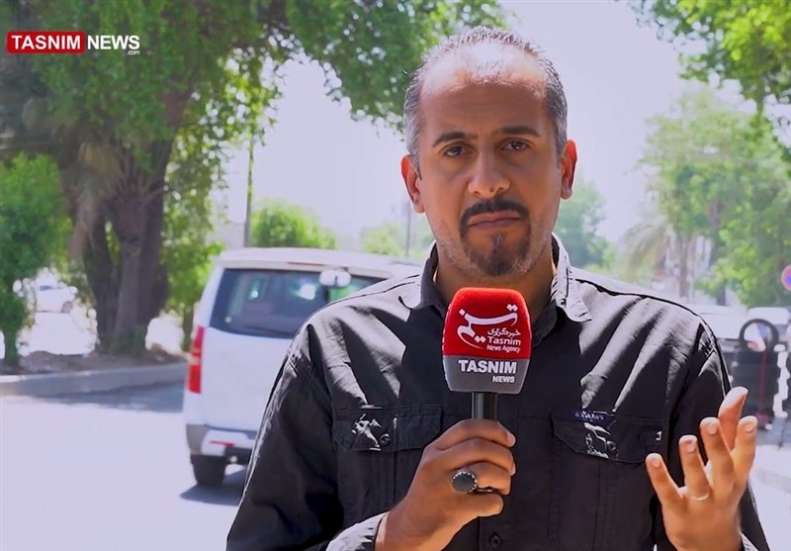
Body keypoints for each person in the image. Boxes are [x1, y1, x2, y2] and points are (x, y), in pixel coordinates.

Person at [227, 27, 769, 550]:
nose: (488, 181)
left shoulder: (666, 352)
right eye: (455, 150)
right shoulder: (336, 350)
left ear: (565, 168)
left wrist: (712, 546)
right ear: (415, 184)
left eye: (515, 144)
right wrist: (397, 536)